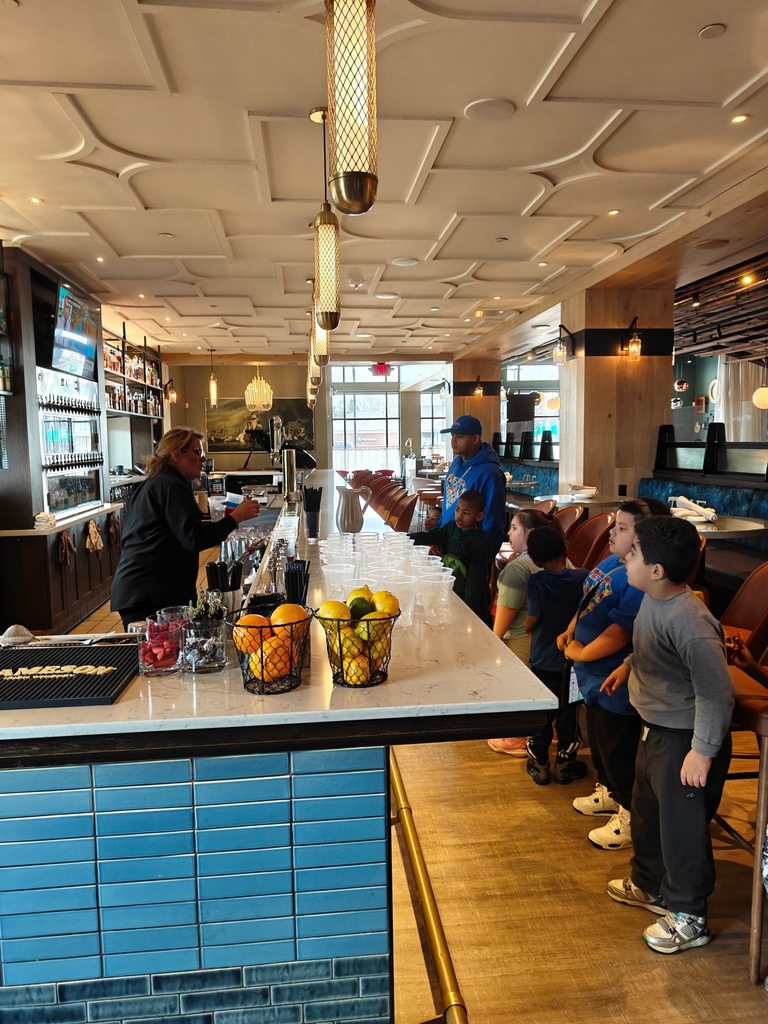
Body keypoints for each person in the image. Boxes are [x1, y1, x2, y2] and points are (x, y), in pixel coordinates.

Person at [602, 516, 734, 954]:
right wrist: (628, 665)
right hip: (655, 729)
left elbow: (716, 695)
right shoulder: (653, 599)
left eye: (633, 551)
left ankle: (690, 915)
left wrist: (702, 751)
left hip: (684, 740)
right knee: (646, 813)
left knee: (682, 831)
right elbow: (650, 649)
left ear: (656, 570)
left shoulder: (691, 622)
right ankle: (650, 885)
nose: (624, 556)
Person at [557, 500, 666, 849]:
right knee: (599, 740)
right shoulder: (610, 562)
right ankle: (606, 791)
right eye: (614, 526)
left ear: (644, 537)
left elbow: (621, 632)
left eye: (622, 528)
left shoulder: (638, 580)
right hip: (589, 676)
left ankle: (630, 817)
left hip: (612, 681)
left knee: (618, 746)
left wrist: (582, 652)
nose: (612, 533)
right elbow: (587, 599)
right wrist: (571, 629)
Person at [111, 428, 261, 628]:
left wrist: (227, 520)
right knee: (159, 653)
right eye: (197, 452)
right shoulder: (172, 486)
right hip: (149, 592)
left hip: (141, 588)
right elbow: (194, 539)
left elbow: (179, 531)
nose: (202, 459)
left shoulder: (160, 482)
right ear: (175, 455)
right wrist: (235, 518)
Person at [487, 508, 562, 756]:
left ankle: (518, 736)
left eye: (515, 528)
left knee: (516, 682)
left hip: (524, 642)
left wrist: (491, 645)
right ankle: (550, 729)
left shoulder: (518, 569)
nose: (509, 532)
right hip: (556, 644)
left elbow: (504, 618)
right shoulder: (562, 558)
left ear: (530, 533)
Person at [523, 526, 589, 785]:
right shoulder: (584, 577)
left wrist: (524, 628)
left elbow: (533, 618)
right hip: (573, 661)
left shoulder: (537, 581)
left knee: (542, 712)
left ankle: (539, 763)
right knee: (568, 714)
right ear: (566, 549)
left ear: (535, 560)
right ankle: (565, 764)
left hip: (542, 660)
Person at [411, 489, 492, 623]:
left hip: (470, 600)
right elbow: (430, 536)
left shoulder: (479, 543)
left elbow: (476, 582)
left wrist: (468, 610)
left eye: (466, 513)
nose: (459, 516)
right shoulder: (450, 528)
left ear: (479, 516)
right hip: (450, 593)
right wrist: (406, 538)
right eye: (458, 510)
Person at [438, 415, 506, 554]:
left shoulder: (490, 473)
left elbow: (493, 519)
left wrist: (482, 553)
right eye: (452, 436)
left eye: (460, 436)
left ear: (475, 439)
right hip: (449, 542)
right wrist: (439, 531)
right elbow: (449, 502)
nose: (454, 441)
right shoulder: (456, 463)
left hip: (470, 550)